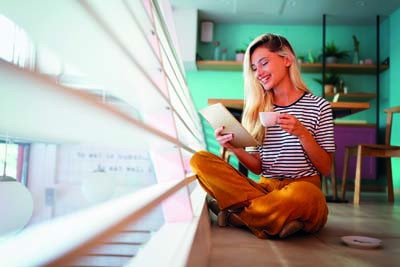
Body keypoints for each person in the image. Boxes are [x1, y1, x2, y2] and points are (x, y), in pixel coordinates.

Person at [190, 33, 335, 239]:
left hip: (303, 186)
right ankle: (280, 220)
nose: (258, 73)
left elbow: (325, 168)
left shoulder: (320, 107)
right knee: (199, 160)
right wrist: (234, 148)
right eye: (254, 68)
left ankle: (237, 217)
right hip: (265, 188)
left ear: (287, 59)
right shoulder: (256, 109)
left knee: (307, 197)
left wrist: (303, 134)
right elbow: (258, 167)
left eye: (264, 63)